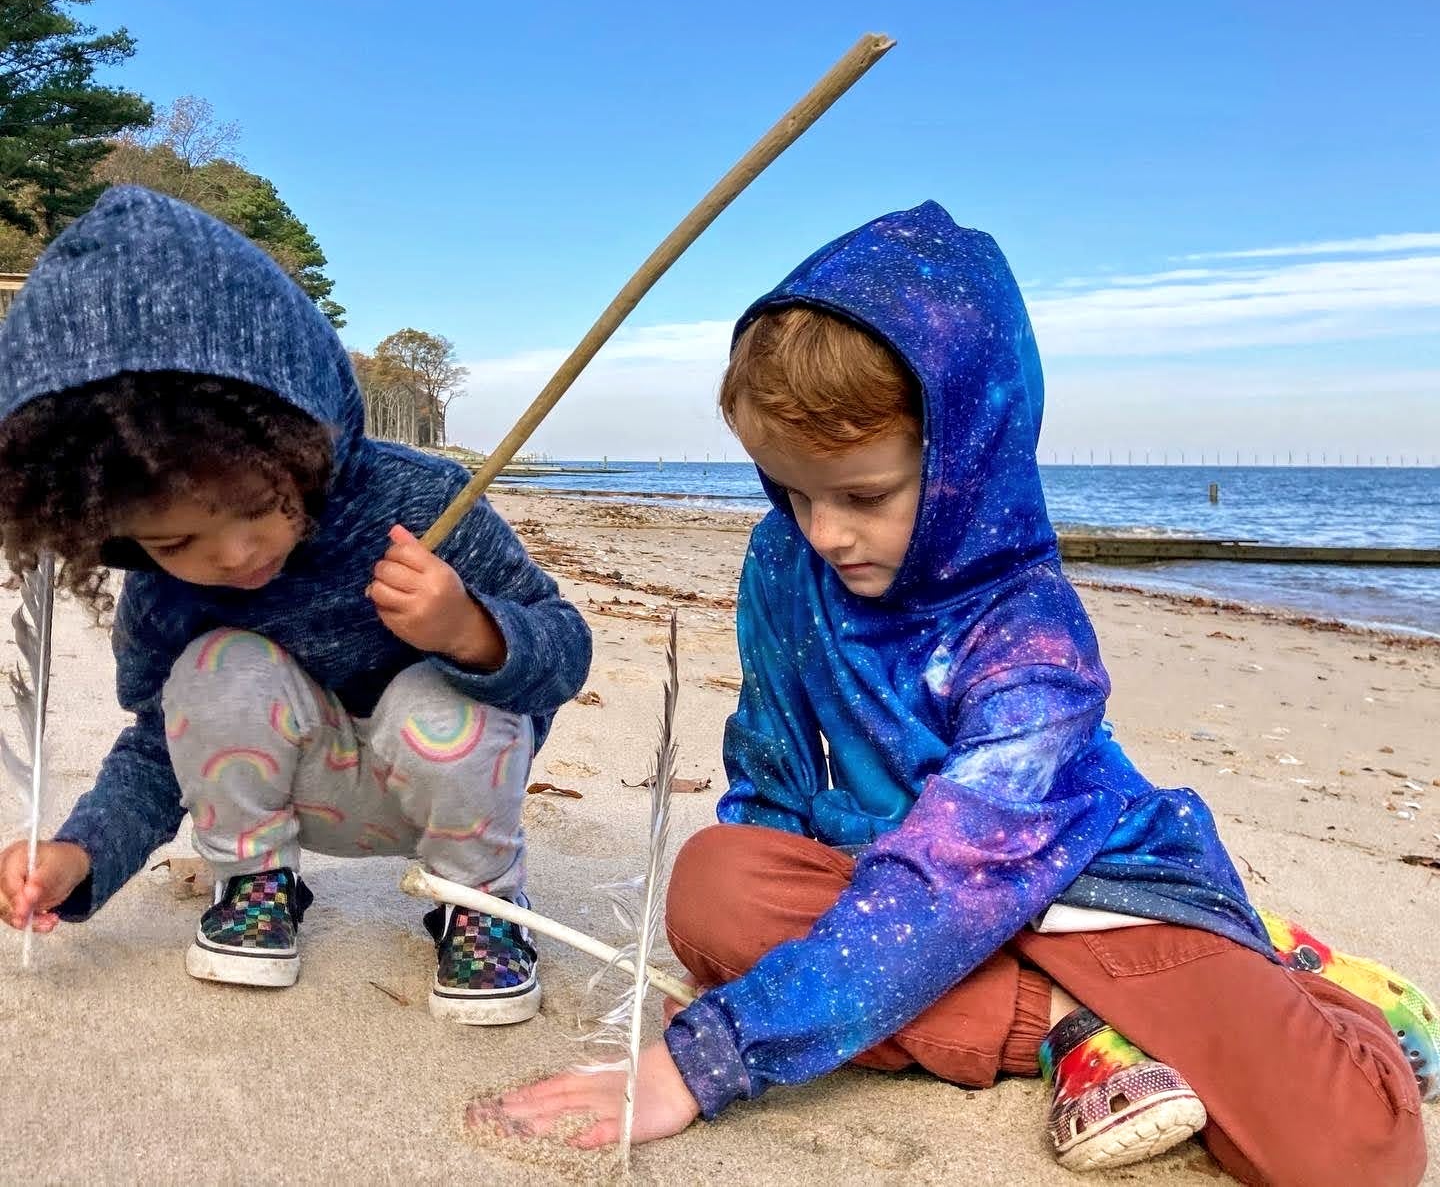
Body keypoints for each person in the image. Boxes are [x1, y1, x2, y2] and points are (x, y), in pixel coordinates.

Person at [483, 202, 1432, 1182]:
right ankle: (1077, 1031)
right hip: (885, 887)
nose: (822, 532)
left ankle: (1320, 988)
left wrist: (714, 1052)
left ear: (964, 463)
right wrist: (743, 969)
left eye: (861, 495)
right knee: (714, 883)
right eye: (792, 490)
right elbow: (767, 767)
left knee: (1355, 1152)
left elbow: (953, 876)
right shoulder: (782, 561)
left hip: (1092, 898)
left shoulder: (1033, 632)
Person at [0, 185, 592, 1025]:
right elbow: (156, 748)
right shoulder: (164, 595)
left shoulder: (421, 501)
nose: (233, 557)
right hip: (291, 788)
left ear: (306, 441)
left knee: (437, 697)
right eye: (175, 543)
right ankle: (256, 889)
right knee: (213, 671)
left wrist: (471, 630)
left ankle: (480, 908)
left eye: (254, 511)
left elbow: (565, 649)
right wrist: (79, 850)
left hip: (448, 784)